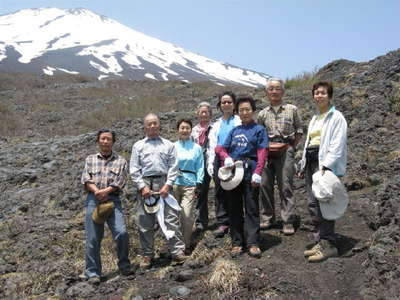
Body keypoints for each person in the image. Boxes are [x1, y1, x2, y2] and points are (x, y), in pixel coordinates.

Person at [299, 81, 347, 262]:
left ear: (330, 96)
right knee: (313, 202)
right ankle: (320, 240)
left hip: (324, 165)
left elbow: (337, 144)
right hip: (312, 161)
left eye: (323, 93)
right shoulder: (315, 118)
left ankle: (329, 245)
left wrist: (326, 165)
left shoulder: (336, 117)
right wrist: (303, 164)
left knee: (324, 202)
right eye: (316, 93)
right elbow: (308, 144)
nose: (319, 96)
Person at [129, 113, 186, 269]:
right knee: (145, 222)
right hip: (145, 185)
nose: (152, 126)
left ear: (159, 125)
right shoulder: (138, 146)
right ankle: (147, 255)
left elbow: (174, 167)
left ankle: (177, 251)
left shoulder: (169, 145)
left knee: (170, 219)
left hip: (164, 183)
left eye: (155, 123)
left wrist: (168, 185)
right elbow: (134, 168)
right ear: (145, 126)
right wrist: (142, 186)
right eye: (149, 124)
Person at [215, 96, 268, 257]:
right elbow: (220, 148)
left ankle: (253, 242)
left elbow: (262, 152)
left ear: (253, 111)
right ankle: (237, 242)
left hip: (250, 169)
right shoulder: (234, 131)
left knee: (251, 207)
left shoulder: (259, 130)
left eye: (247, 109)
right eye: (241, 110)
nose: (245, 113)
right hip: (234, 171)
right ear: (237, 112)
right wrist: (226, 158)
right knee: (234, 207)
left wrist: (258, 172)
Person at [81, 129, 135, 284]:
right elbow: (86, 178)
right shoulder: (90, 159)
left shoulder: (121, 161)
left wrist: (106, 191)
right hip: (94, 199)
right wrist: (97, 191)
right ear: (98, 141)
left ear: (113, 142)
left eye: (108, 139)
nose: (105, 141)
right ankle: (93, 272)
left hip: (113, 199)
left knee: (121, 232)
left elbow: (121, 180)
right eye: (102, 139)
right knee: (93, 238)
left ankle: (124, 265)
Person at [257, 78, 303, 235]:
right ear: (266, 92)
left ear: (283, 91)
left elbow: (299, 129)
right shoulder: (262, 114)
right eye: (271, 89)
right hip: (267, 151)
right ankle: (267, 218)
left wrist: (292, 147)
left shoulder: (292, 109)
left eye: (277, 88)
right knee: (264, 184)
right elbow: (260, 135)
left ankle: (288, 220)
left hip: (286, 149)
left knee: (285, 185)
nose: (274, 91)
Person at [207, 91, 241, 237]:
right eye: (223, 102)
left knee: (236, 189)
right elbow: (212, 145)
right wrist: (210, 162)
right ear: (220, 105)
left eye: (229, 102)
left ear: (234, 104)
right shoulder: (216, 124)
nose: (226, 104)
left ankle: (237, 220)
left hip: (235, 158)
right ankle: (222, 222)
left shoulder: (239, 120)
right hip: (218, 159)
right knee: (220, 191)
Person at [174, 119, 204, 253]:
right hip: (174, 183)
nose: (184, 130)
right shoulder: (172, 147)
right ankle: (174, 246)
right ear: (177, 130)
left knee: (186, 215)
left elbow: (200, 166)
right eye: (182, 128)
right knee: (173, 216)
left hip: (190, 184)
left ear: (191, 130)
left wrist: (199, 182)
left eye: (187, 128)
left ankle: (185, 245)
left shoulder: (196, 148)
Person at [191, 102, 212, 231]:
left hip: (212, 160)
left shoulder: (215, 127)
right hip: (198, 163)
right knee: (200, 191)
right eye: (201, 112)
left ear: (210, 114)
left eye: (206, 112)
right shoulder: (193, 130)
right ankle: (201, 221)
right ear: (197, 114)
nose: (204, 114)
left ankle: (224, 220)